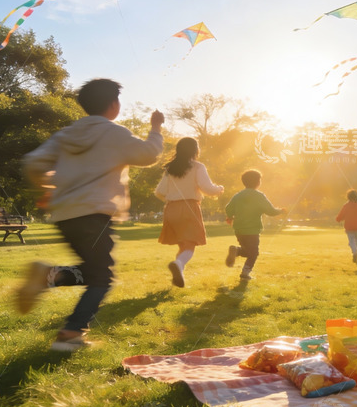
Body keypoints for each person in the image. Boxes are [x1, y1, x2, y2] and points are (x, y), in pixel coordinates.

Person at [20, 79, 164, 351]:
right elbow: (148, 154)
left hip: (65, 215)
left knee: (94, 271)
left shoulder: (66, 135)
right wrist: (156, 128)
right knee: (102, 278)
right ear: (113, 105)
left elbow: (33, 162)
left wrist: (47, 187)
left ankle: (48, 276)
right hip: (95, 214)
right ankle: (71, 333)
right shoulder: (114, 133)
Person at [155, 137, 224, 288]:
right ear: (195, 150)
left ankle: (177, 278)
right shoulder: (198, 167)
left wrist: (172, 199)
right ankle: (178, 264)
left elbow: (159, 192)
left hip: (171, 209)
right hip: (189, 207)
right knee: (190, 245)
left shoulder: (170, 168)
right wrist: (218, 189)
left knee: (182, 245)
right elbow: (207, 188)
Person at [224, 169, 285, 280]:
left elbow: (228, 208)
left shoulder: (238, 196)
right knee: (253, 253)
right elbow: (270, 211)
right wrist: (281, 211)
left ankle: (236, 250)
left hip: (239, 230)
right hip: (252, 230)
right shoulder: (259, 196)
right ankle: (245, 273)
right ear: (258, 182)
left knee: (247, 250)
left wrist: (230, 217)